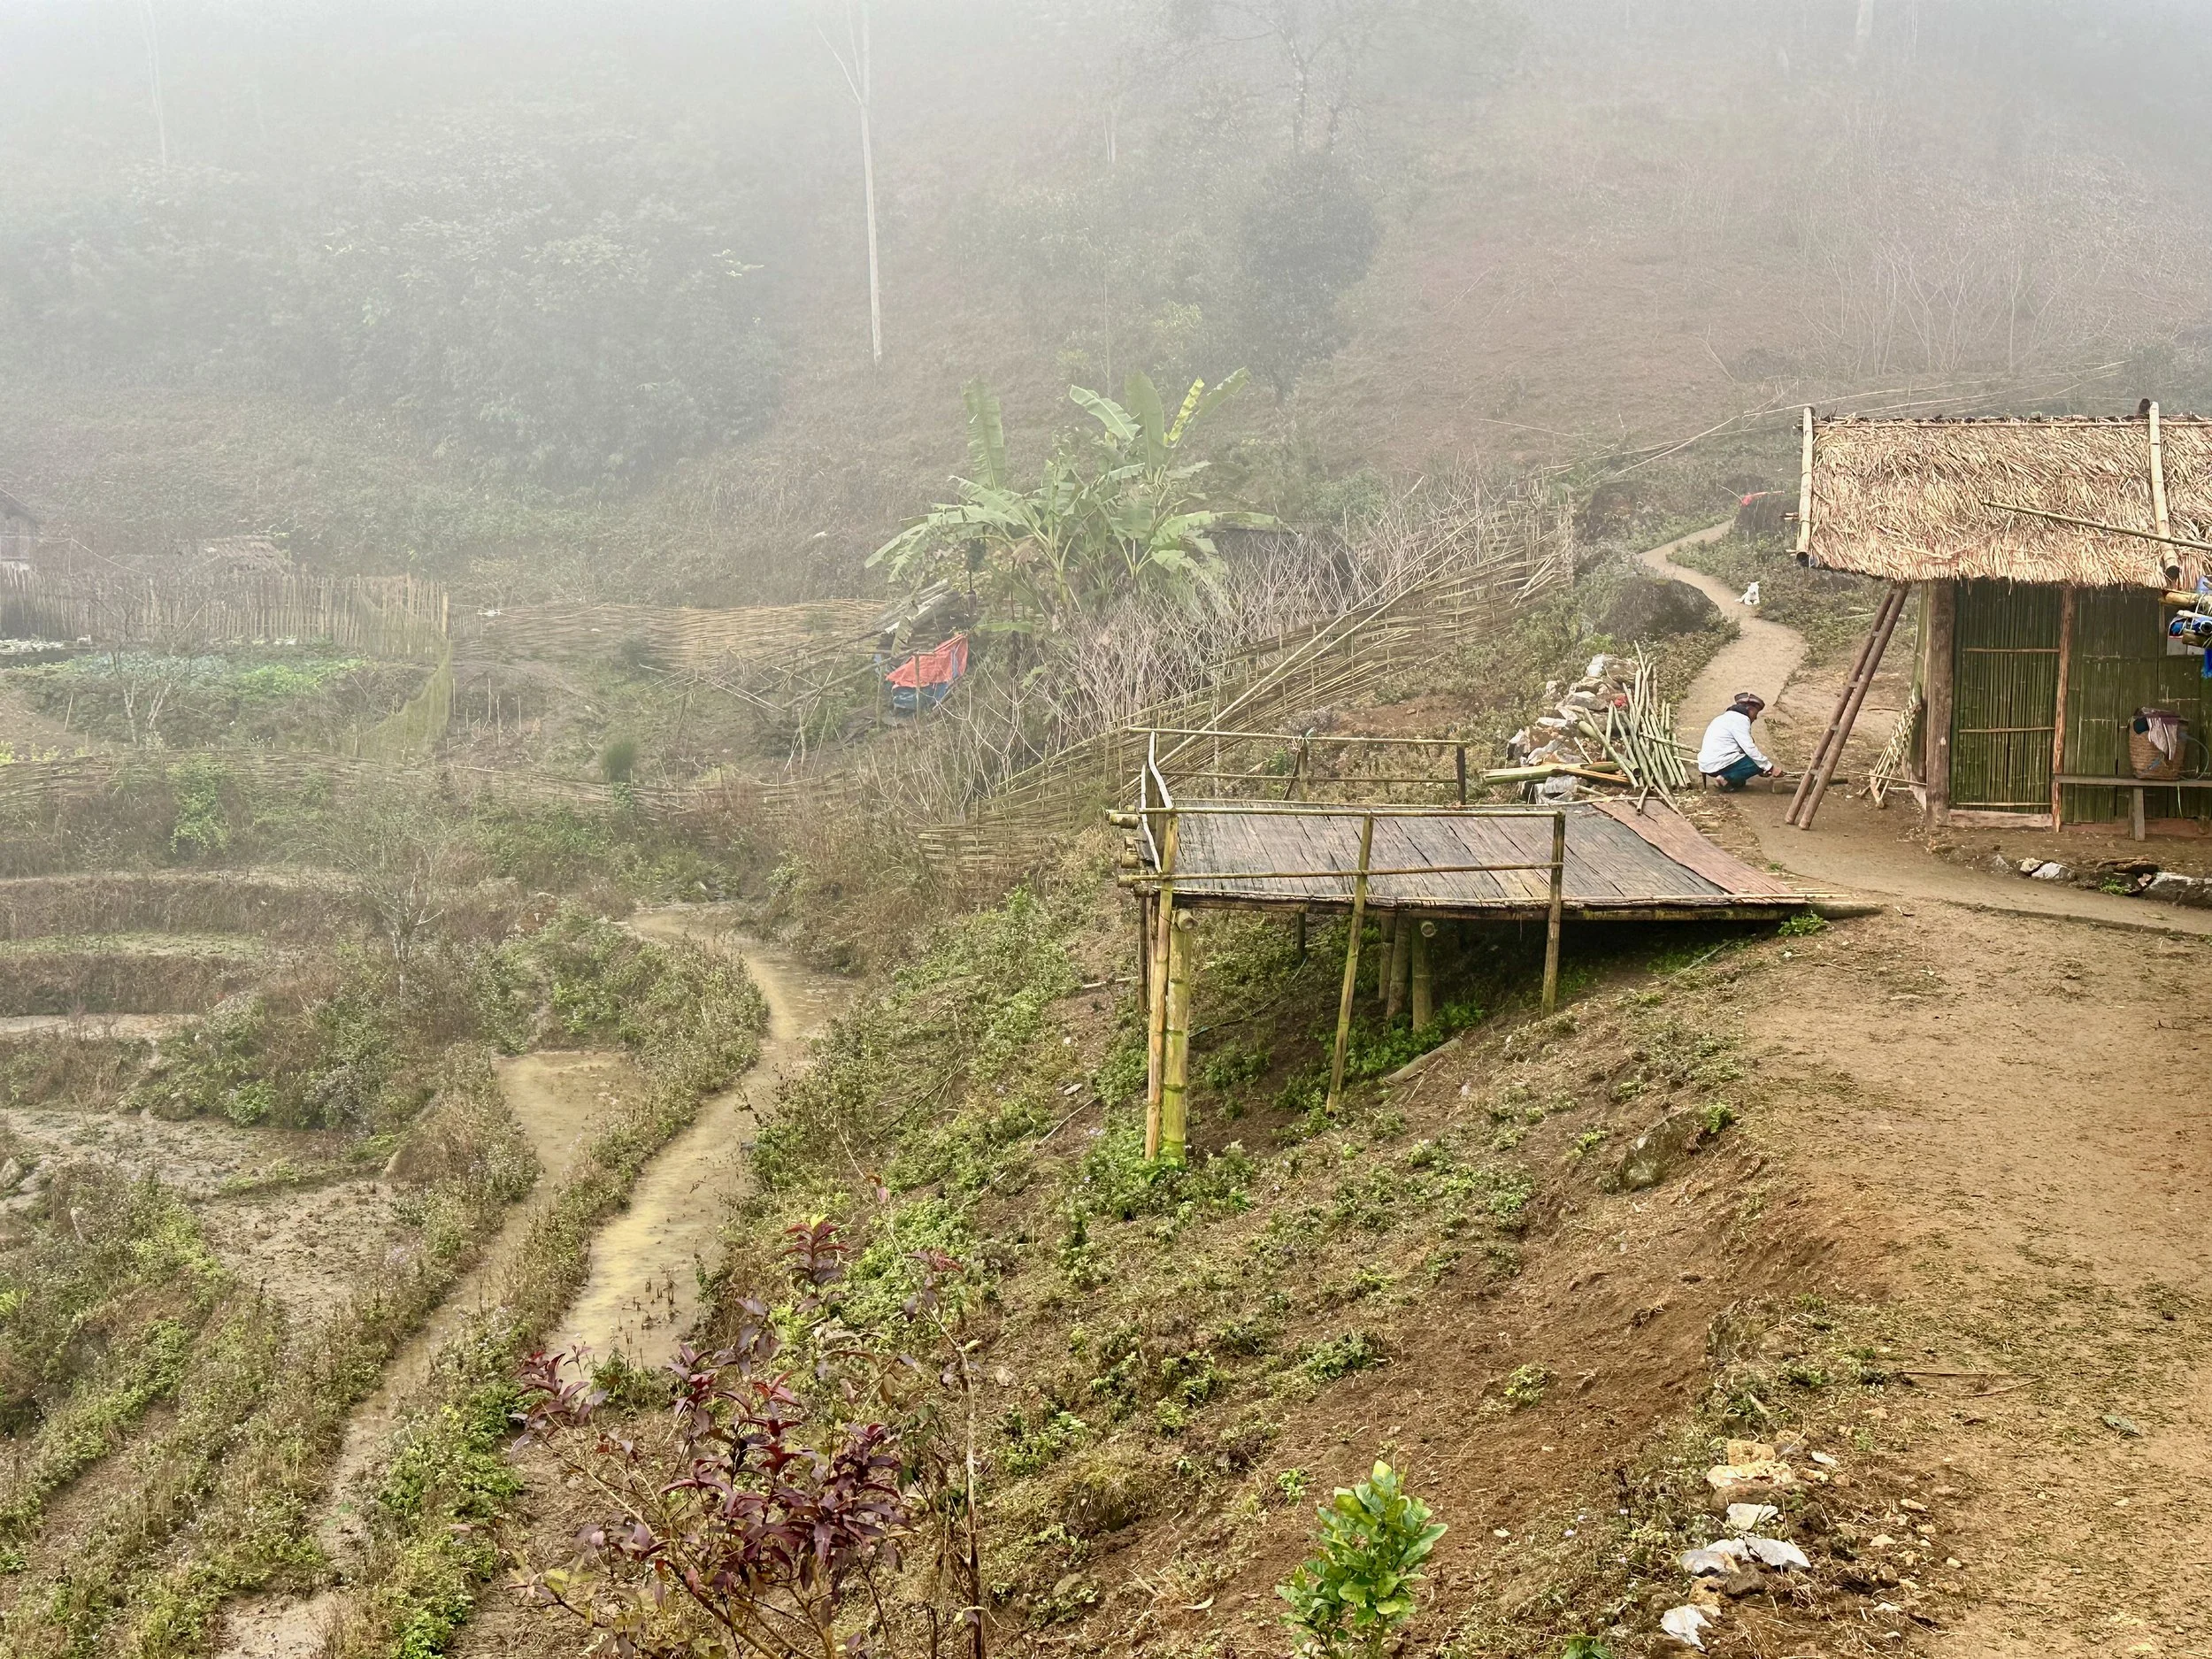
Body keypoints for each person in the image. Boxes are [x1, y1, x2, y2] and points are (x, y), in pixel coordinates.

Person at [1698, 691, 1776, 790]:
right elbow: (1749, 748)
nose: (1755, 718)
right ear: (1750, 709)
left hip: (1707, 763)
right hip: (1716, 763)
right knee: (1757, 763)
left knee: (1741, 782)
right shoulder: (1741, 720)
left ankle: (1729, 780)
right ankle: (1725, 778)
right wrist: (1770, 767)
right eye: (1755, 714)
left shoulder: (1724, 717)